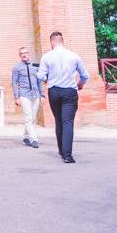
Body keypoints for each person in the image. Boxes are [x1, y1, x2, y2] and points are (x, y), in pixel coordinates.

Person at [37, 31, 89, 164]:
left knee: (58, 121)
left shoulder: (47, 57)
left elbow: (41, 76)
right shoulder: (74, 56)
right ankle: (67, 155)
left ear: (52, 42)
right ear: (62, 41)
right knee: (67, 122)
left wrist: (48, 79)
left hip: (54, 91)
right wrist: (80, 85)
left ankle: (61, 150)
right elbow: (85, 75)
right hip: (69, 92)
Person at [12, 46, 45, 149]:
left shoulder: (35, 66)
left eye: (25, 53)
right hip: (24, 95)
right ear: (20, 56)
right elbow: (14, 83)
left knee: (32, 118)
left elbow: (39, 81)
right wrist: (17, 97)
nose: (24, 55)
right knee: (28, 117)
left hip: (35, 95)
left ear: (28, 53)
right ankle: (33, 139)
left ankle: (26, 137)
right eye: (22, 54)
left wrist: (42, 95)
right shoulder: (17, 67)